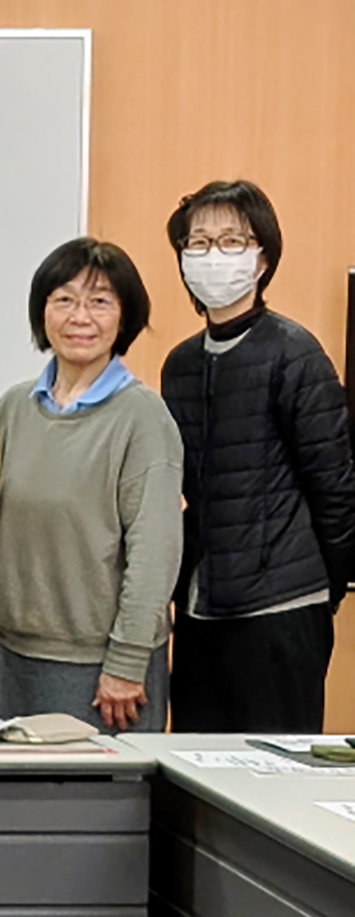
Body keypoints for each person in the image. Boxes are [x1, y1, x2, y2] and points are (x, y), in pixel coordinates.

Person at [0, 240, 181, 917]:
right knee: (25, 843)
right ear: (41, 312)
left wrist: (125, 661)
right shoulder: (13, 407)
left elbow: (155, 552)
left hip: (102, 676)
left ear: (126, 317)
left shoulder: (143, 418)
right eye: (63, 299)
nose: (79, 316)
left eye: (99, 301)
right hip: (16, 662)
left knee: (94, 852)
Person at [160, 180, 355, 734]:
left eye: (231, 241)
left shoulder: (295, 354)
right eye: (198, 243)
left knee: (273, 768)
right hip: (200, 609)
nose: (212, 256)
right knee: (194, 767)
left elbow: (336, 490)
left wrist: (322, 591)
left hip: (282, 611)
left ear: (262, 257)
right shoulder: (180, 365)